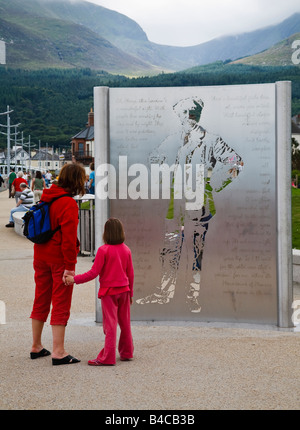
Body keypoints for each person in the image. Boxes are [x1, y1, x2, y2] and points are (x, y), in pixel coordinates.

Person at [136, 97, 243, 313]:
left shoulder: (212, 140)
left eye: (185, 114)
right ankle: (164, 294)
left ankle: (192, 296)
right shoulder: (173, 139)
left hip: (199, 204)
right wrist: (161, 173)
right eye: (180, 115)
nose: (182, 119)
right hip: (174, 204)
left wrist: (213, 184)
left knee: (196, 251)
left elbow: (236, 162)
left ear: (193, 115)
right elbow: (153, 159)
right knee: (169, 249)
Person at [29, 163, 86, 366]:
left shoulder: (47, 195)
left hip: (40, 254)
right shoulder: (68, 203)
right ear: (76, 181)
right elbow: (69, 241)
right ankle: (59, 352)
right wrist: (70, 267)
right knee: (61, 301)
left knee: (41, 298)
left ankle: (36, 346)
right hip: (59, 259)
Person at [64, 218, 134, 366]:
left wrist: (74, 279)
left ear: (106, 233)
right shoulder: (126, 249)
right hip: (125, 291)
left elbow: (93, 273)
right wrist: (131, 293)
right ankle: (127, 352)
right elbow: (131, 274)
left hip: (109, 292)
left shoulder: (104, 250)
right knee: (125, 323)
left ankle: (108, 357)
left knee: (110, 325)